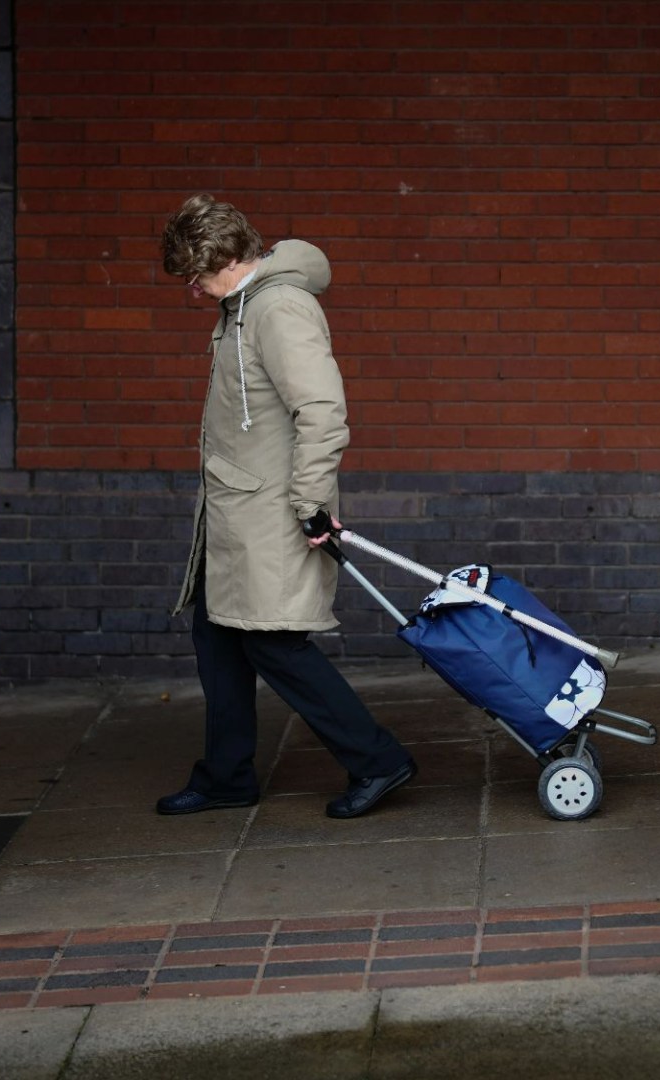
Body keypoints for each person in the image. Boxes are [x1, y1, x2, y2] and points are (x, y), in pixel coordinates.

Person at [155, 193, 416, 820]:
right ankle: (226, 776)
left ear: (226, 258)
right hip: (237, 514)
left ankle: (378, 761)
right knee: (217, 637)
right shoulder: (240, 305)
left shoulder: (277, 309)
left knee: (276, 644)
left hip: (271, 514)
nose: (192, 289)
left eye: (196, 275)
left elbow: (322, 412)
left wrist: (310, 505)